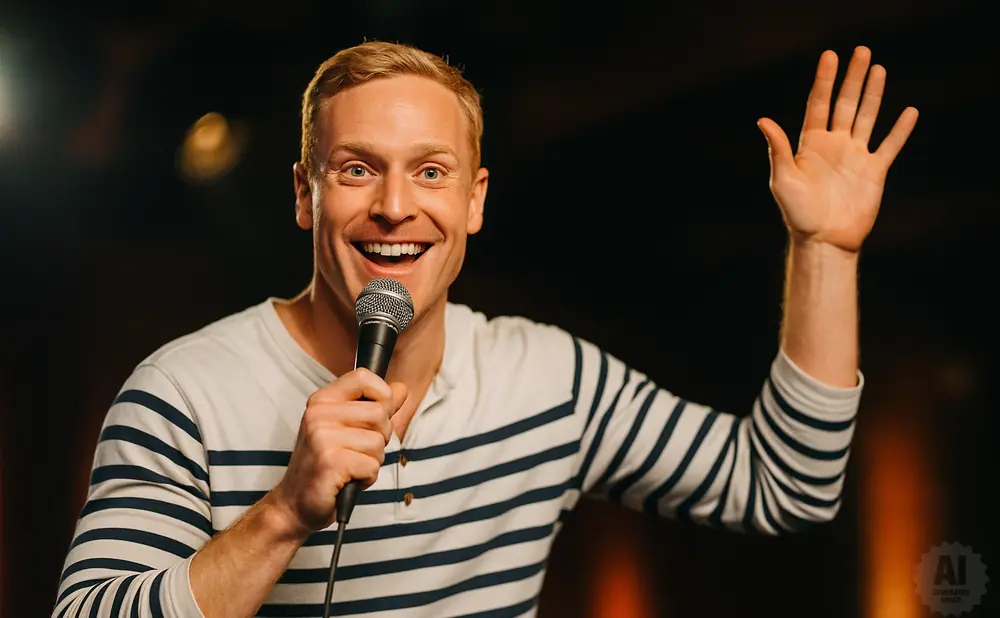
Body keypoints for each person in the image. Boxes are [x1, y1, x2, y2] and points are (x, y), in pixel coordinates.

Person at [51, 40, 917, 618]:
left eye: (431, 172)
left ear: (474, 202)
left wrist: (824, 250)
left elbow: (787, 486)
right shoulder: (184, 393)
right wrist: (283, 513)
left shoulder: (549, 379)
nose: (396, 206)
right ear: (305, 194)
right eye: (358, 170)